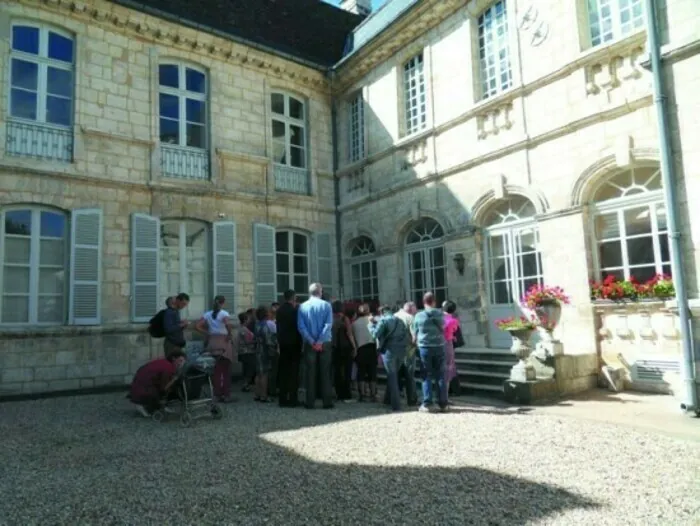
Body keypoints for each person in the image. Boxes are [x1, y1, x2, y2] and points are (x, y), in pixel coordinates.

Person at [297, 283, 334, 409]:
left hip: (310, 343)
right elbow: (328, 325)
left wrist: (312, 341)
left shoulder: (302, 306)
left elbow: (301, 327)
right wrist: (320, 341)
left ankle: (310, 402)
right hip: (325, 342)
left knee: (310, 372)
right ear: (320, 292)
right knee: (325, 372)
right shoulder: (327, 305)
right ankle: (327, 401)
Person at [195, 295, 235, 403]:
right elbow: (227, 324)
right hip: (223, 341)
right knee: (226, 370)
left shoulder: (207, 314)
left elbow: (197, 326)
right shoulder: (224, 313)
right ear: (223, 302)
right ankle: (225, 395)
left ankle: (217, 394)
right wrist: (230, 334)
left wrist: (207, 333)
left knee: (216, 370)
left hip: (212, 342)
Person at [412, 292, 447, 413]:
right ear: (434, 301)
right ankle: (443, 403)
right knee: (440, 375)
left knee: (426, 375)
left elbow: (414, 333)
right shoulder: (440, 314)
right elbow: (444, 327)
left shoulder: (418, 316)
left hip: (425, 347)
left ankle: (427, 403)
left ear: (423, 302)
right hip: (439, 346)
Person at [369, 305, 409, 412]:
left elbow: (375, 334)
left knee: (392, 376)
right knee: (394, 374)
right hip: (401, 350)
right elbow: (405, 335)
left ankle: (396, 405)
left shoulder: (383, 321)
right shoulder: (400, 321)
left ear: (382, 312)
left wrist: (370, 325)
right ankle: (387, 399)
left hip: (389, 350)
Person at [129, 350, 187, 417]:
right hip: (144, 385)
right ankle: (148, 405)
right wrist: (175, 379)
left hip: (140, 381)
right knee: (164, 390)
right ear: (174, 359)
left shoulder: (165, 362)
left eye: (183, 361)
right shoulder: (169, 367)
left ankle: (155, 406)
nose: (181, 364)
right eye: (180, 361)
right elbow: (164, 387)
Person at [276, 290, 303, 407]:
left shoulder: (279, 310)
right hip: (294, 343)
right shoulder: (295, 311)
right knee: (294, 372)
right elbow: (299, 328)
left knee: (283, 371)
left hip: (283, 343)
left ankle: (282, 398)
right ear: (293, 298)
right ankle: (292, 398)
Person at [393, 301, 418, 406]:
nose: (416, 310)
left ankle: (392, 398)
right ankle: (411, 399)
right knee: (409, 374)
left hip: (394, 349)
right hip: (408, 349)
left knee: (395, 374)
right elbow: (414, 337)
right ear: (411, 308)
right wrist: (415, 346)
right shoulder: (410, 317)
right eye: (415, 308)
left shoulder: (394, 316)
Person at [331, 300, 357, 403]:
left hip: (334, 348)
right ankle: (347, 394)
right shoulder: (345, 318)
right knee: (347, 371)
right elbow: (349, 334)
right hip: (345, 348)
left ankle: (339, 393)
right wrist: (354, 347)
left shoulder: (331, 318)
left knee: (337, 371)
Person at [352, 304, 377, 402]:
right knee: (372, 372)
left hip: (360, 348)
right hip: (371, 347)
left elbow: (353, 337)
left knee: (361, 372)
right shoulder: (372, 321)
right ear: (368, 311)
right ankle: (373, 394)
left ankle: (362, 394)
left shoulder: (354, 323)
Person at [254, 305, 278, 403]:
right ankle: (264, 395)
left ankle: (257, 394)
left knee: (258, 373)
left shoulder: (257, 324)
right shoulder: (269, 324)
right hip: (265, 350)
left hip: (257, 348)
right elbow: (273, 336)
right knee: (265, 374)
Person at [442, 300, 460, 404]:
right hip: (448, 345)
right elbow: (451, 332)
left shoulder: (438, 318)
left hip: (438, 344)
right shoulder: (453, 320)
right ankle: (445, 397)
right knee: (448, 372)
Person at [163, 293, 190, 359]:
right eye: (183, 304)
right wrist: (181, 324)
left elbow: (176, 327)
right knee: (172, 365)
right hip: (171, 344)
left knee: (179, 365)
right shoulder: (169, 312)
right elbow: (168, 329)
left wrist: (183, 325)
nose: (184, 306)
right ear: (177, 301)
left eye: (186, 304)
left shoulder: (176, 311)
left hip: (177, 344)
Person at [236, 311, 257, 392]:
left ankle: (245, 384)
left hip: (243, 352)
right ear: (245, 320)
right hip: (248, 352)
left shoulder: (241, 328)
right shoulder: (244, 329)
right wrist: (256, 340)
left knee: (246, 368)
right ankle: (246, 384)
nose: (249, 320)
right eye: (248, 319)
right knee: (250, 369)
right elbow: (248, 341)